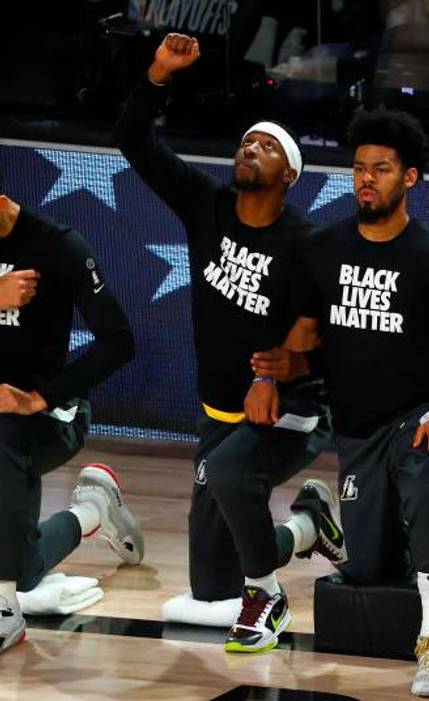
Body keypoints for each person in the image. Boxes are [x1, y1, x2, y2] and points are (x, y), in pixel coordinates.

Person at [113, 32, 346, 646]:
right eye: (247, 141)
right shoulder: (204, 204)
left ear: (289, 173)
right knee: (210, 585)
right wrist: (157, 75)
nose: (251, 149)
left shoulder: (307, 243)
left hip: (292, 406)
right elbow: (134, 141)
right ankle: (306, 525)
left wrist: (276, 374)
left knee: (225, 475)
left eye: (267, 146)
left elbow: (315, 332)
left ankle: (267, 599)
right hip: (220, 409)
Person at [271, 108, 429, 697]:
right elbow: (307, 338)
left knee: (422, 478)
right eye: (360, 169)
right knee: (368, 570)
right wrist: (275, 372)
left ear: (410, 178)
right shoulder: (322, 248)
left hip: (415, 417)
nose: (367, 179)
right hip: (357, 431)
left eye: (382, 169)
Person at [1, 180, 139, 652]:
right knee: (14, 553)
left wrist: (40, 396)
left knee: (3, 436)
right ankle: (91, 512)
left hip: (49, 415)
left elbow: (118, 341)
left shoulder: (58, 246)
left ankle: (4, 609)